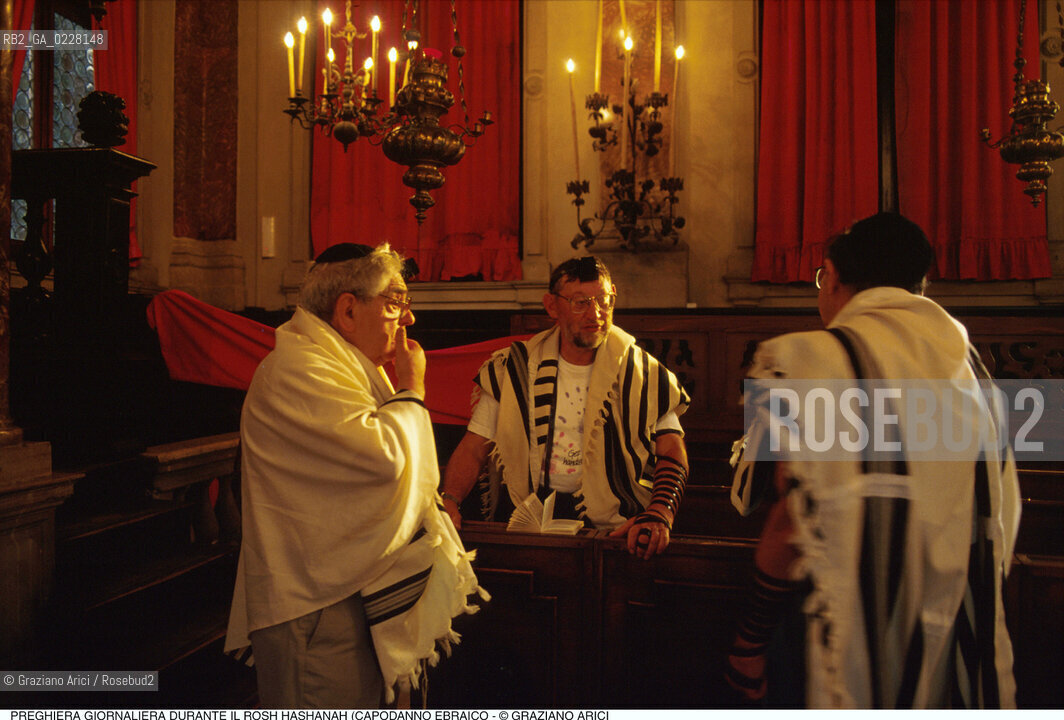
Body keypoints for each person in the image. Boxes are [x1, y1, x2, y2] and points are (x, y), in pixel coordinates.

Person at [727, 213, 1020, 708]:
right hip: (957, 630)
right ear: (920, 285)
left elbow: (788, 523)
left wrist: (748, 643)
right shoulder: (976, 372)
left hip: (835, 626)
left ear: (833, 276)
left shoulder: (813, 360)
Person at [224, 243, 485, 708]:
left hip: (340, 593)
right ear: (347, 310)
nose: (408, 320)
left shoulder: (338, 365)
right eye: (396, 302)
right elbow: (385, 460)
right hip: (316, 608)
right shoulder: (299, 368)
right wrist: (413, 389)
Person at [441, 255, 691, 559]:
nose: (596, 313)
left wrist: (660, 512)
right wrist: (450, 500)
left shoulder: (643, 371)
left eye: (604, 300)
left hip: (616, 529)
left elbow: (672, 449)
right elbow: (474, 447)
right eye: (580, 302)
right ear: (551, 306)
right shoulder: (515, 368)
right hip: (532, 521)